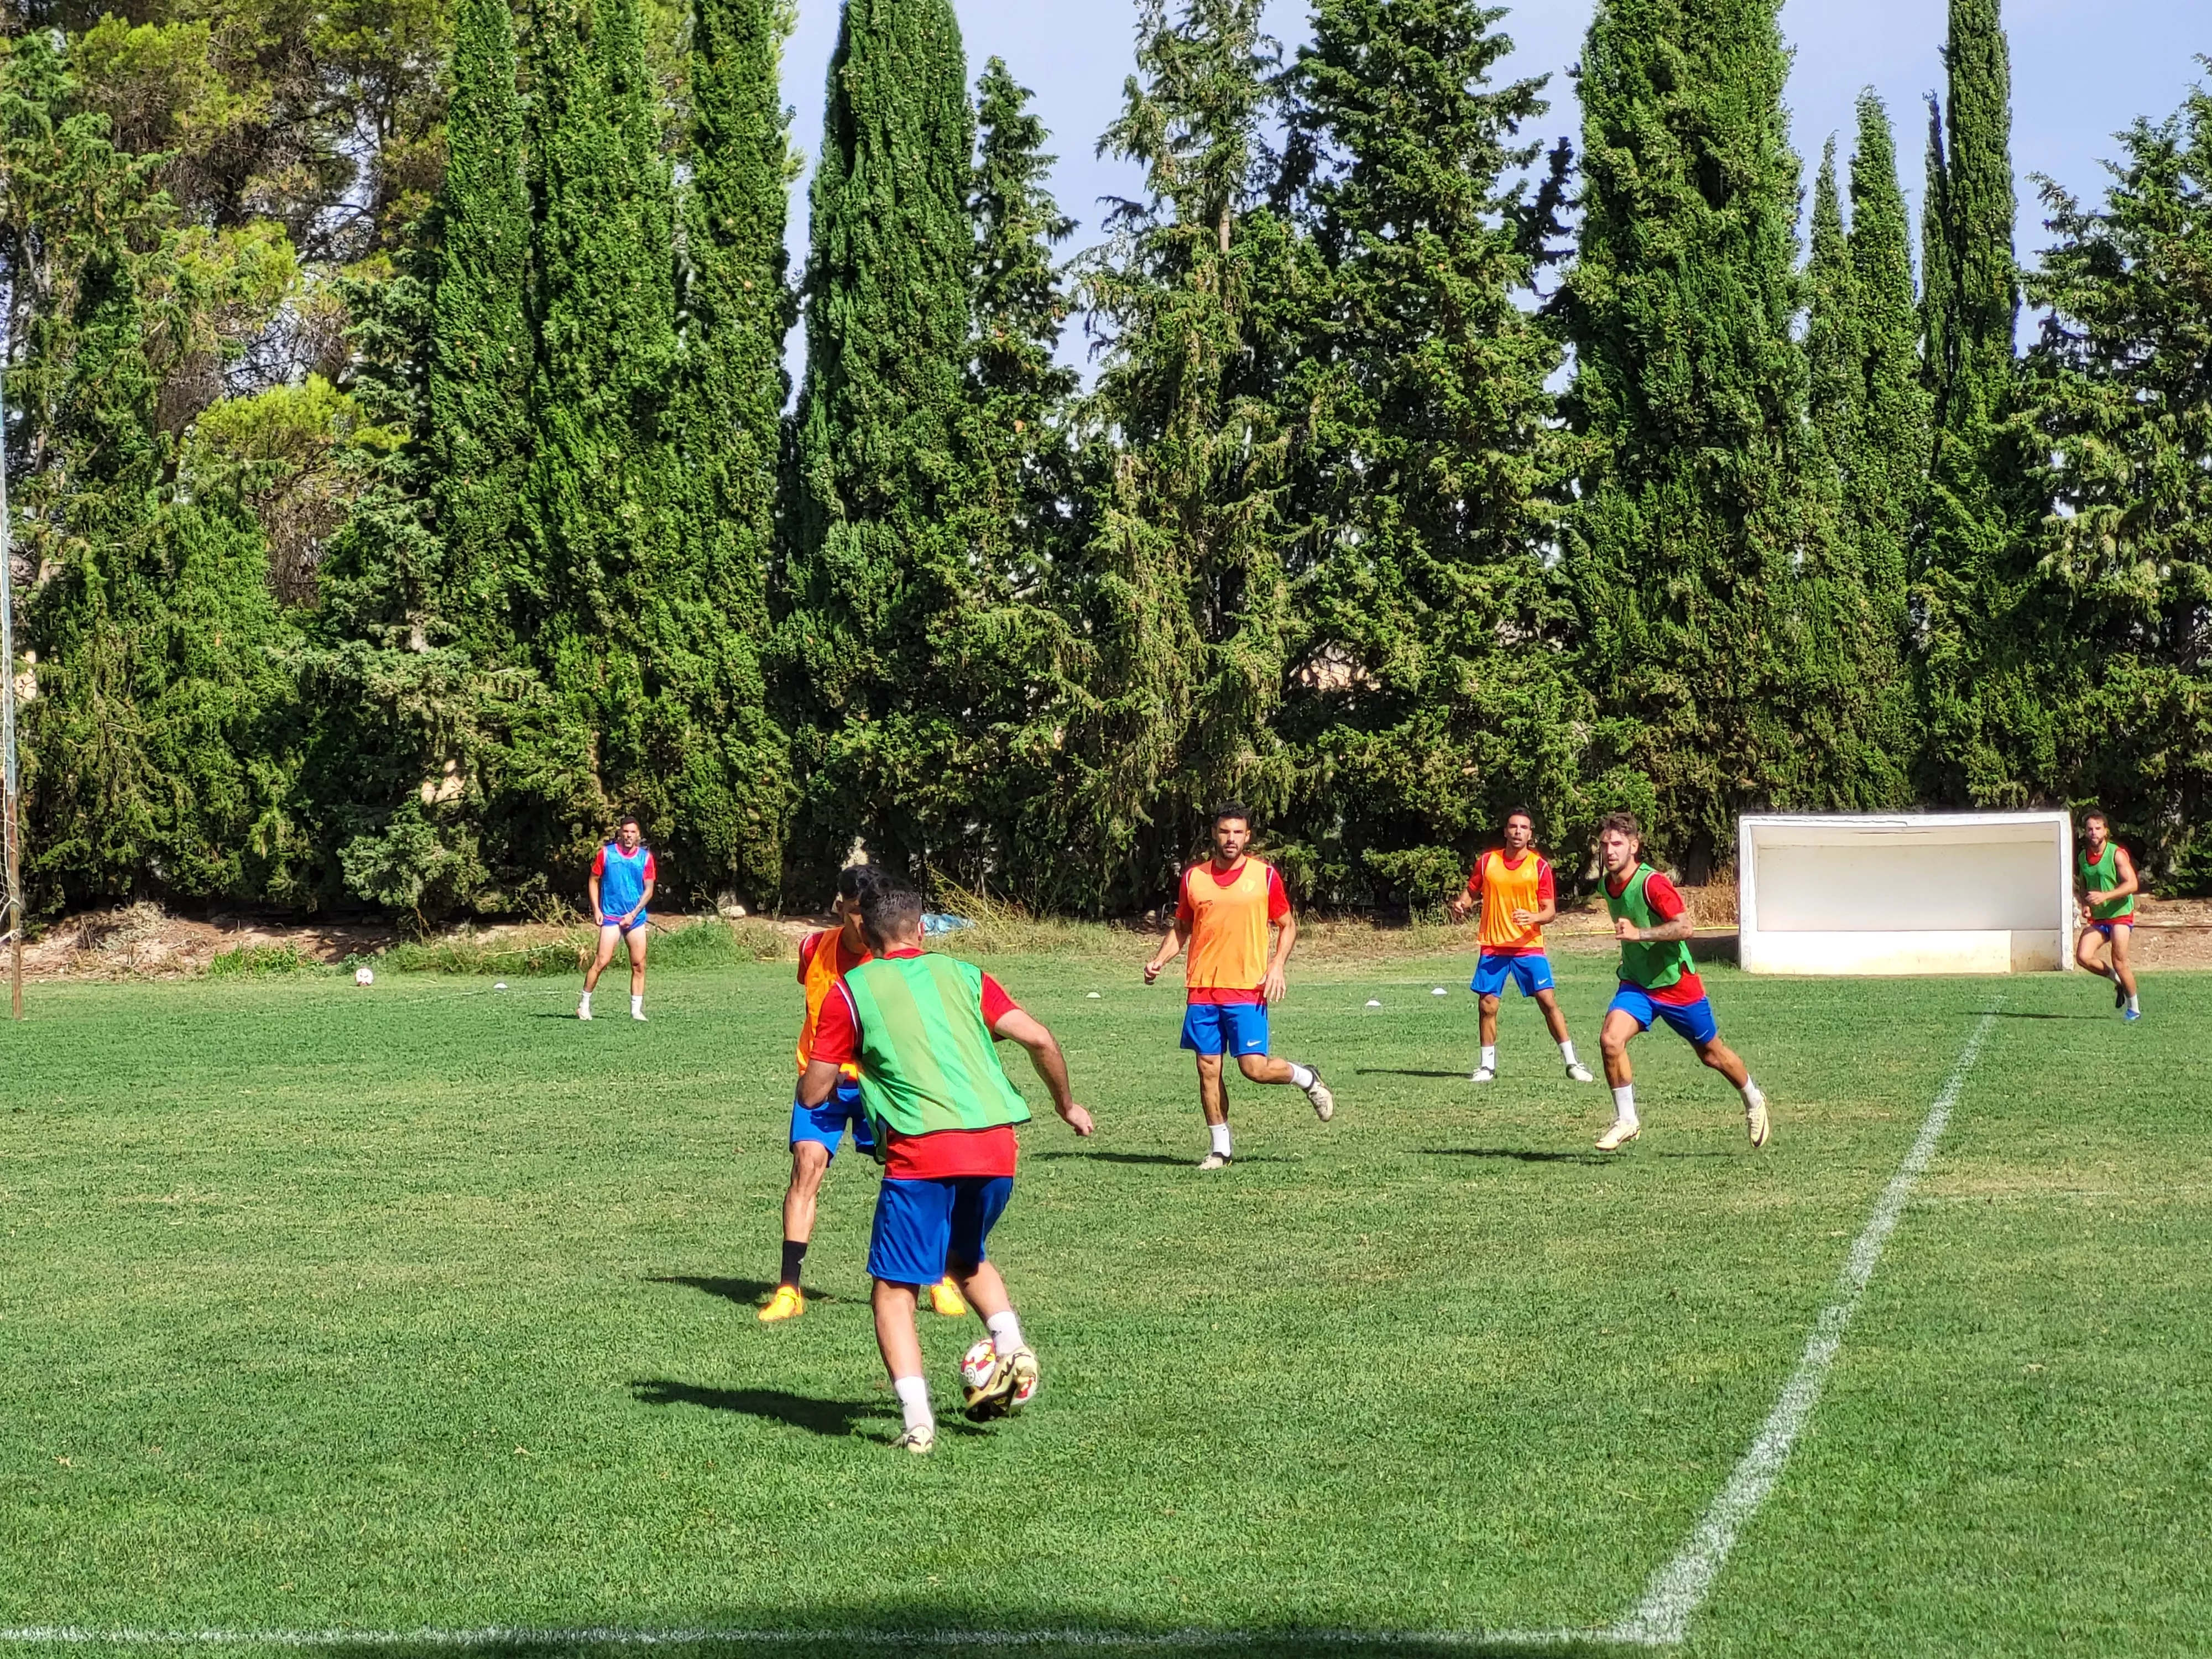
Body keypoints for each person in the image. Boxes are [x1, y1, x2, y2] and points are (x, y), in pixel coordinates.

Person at [800, 881, 1094, 1454]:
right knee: (965, 1257)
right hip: (996, 1146)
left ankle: (917, 1424)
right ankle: (1011, 1347)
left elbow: (813, 1093)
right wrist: (1065, 1104)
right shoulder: (967, 976)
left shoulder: (851, 992)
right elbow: (1038, 1038)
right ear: (922, 927)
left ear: (864, 931)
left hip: (924, 1151)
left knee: (893, 1289)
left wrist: (835, 1073)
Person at [760, 865, 969, 1324]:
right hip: (821, 1083)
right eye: (854, 912)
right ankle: (789, 1289)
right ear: (839, 907)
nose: (861, 922)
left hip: (883, 1085)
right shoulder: (812, 949)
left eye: (868, 912)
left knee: (922, 1177)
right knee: (805, 1167)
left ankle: (938, 1279)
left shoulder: (894, 960)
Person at [1142, 802, 1334, 1170]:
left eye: (1237, 832)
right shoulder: (1194, 878)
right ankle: (1220, 1149)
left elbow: (1288, 925)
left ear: (1247, 837)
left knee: (1254, 1068)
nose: (1230, 839)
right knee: (1208, 1068)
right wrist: (1159, 960)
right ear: (1214, 835)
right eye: (1224, 832)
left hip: (1247, 988)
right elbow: (1182, 927)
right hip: (1202, 989)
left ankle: (1307, 1077)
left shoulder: (1263, 876)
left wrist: (1277, 965)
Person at [1593, 812, 1770, 1152]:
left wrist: (1639, 934)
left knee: (1712, 1055)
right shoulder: (1607, 885)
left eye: (1617, 844)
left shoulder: (1653, 884)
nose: (1610, 851)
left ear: (1634, 845)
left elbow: (1685, 928)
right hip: (1637, 985)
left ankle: (1754, 1098)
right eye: (1605, 845)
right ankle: (1627, 1120)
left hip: (1678, 986)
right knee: (1611, 1041)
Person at [1446, 808, 1595, 1084]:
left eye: (1523, 828)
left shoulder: (1539, 867)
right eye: (1513, 827)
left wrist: (1533, 917)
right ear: (1505, 831)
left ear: (1531, 834)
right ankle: (1487, 1067)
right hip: (1493, 945)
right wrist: (1461, 904)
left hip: (1528, 946)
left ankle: (1573, 1062)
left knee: (1547, 1001)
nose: (1517, 832)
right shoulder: (1487, 862)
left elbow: (1550, 911)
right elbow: (1471, 891)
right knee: (1487, 1005)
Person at [579, 815, 653, 1021]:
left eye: (633, 832)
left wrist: (634, 913)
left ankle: (636, 1010)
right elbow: (593, 880)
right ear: (620, 832)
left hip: (635, 918)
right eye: (626, 831)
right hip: (611, 916)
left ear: (638, 835)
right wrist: (597, 909)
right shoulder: (606, 854)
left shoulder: (645, 858)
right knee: (602, 961)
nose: (629, 835)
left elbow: (649, 890)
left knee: (639, 964)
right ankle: (584, 1005)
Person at [2075, 808, 2142, 1021]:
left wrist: (2106, 896)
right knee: (2083, 957)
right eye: (2089, 829)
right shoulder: (2082, 857)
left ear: (2106, 831)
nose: (2094, 833)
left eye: (2098, 828)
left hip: (2121, 914)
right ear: (2085, 832)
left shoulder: (2116, 854)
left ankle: (2135, 1010)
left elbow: (2132, 884)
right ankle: (2117, 982)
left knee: (2119, 961)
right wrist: (2086, 903)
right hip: (2100, 917)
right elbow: (2085, 886)